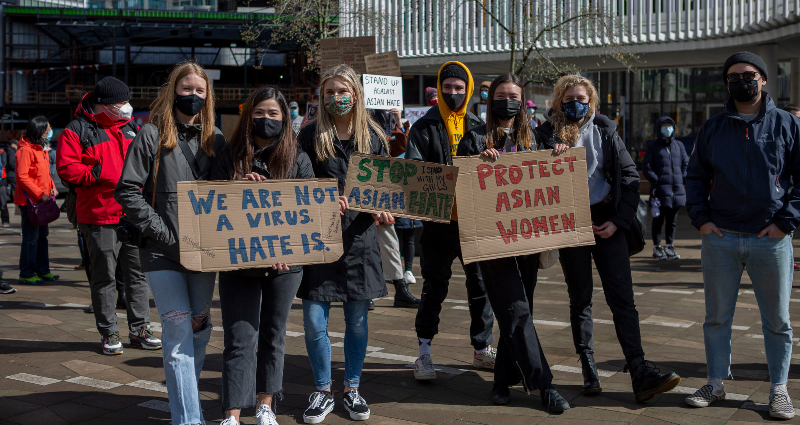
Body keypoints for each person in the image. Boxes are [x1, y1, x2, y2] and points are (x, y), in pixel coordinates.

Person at [535, 75, 681, 403]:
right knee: (581, 298)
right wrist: (549, 158)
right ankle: (589, 369)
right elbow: (535, 179)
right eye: (569, 99)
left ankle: (639, 369)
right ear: (558, 101)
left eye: (582, 99)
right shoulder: (545, 134)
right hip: (570, 223)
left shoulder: (606, 129)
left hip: (607, 222)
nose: (576, 105)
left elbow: (629, 177)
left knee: (622, 298)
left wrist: (618, 221)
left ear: (592, 102)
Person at [684, 52, 799, 419]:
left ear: (763, 79)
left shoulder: (787, 125)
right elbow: (695, 176)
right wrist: (701, 220)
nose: (740, 81)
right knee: (717, 317)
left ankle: (779, 389)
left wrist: (785, 222)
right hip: (721, 237)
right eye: (732, 77)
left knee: (777, 320)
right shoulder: (713, 128)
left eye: (748, 75)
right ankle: (715, 382)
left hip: (771, 239)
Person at [116, 61, 226, 425]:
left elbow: (227, 192)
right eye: (186, 88)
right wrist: (162, 233)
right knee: (177, 330)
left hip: (203, 252)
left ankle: (186, 402)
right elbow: (127, 191)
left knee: (198, 327)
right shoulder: (151, 135)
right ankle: (189, 420)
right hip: (161, 252)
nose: (192, 95)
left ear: (208, 96)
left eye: (199, 90)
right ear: (173, 91)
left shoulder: (216, 139)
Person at [458, 73, 569, 413]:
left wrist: (558, 154)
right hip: (492, 241)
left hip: (528, 239)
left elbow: (548, 178)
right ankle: (544, 385)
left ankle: (502, 381)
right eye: (501, 95)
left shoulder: (534, 138)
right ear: (490, 99)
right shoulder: (474, 138)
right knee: (516, 309)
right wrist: (479, 163)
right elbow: (461, 184)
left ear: (522, 102)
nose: (507, 102)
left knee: (519, 310)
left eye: (513, 96)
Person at [213, 87, 313, 425]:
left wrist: (289, 250)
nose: (265, 119)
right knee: (239, 337)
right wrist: (237, 187)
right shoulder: (229, 156)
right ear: (248, 117)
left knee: (273, 335)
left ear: (285, 118)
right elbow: (209, 204)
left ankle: (265, 405)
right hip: (238, 263)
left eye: (273, 114)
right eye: (259, 113)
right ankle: (232, 413)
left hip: (285, 266)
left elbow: (307, 212)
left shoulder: (298, 159)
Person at [296, 64, 390, 424]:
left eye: (343, 91)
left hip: (360, 243)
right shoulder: (309, 136)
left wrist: (386, 208)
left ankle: (352, 388)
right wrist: (319, 200)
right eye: (330, 92)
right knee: (313, 321)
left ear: (356, 94)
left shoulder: (374, 137)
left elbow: (389, 188)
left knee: (357, 322)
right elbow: (295, 182)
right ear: (322, 97)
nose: (336, 98)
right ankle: (322, 390)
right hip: (318, 241)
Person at [406, 61, 496, 381]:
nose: (453, 93)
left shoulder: (480, 127)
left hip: (474, 222)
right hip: (439, 225)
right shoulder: (423, 127)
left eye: (459, 88)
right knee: (434, 287)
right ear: (439, 88)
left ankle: (482, 348)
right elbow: (414, 170)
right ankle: (424, 352)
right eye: (447, 87)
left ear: (468, 90)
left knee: (481, 286)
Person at [57, 76, 160, 356]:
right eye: (121, 102)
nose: (127, 107)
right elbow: (66, 168)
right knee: (104, 277)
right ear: (105, 104)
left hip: (133, 215)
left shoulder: (130, 128)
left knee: (138, 276)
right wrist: (98, 173)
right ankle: (109, 331)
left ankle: (140, 329)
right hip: (98, 216)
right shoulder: (77, 130)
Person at [371, 107, 419, 308]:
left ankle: (400, 289)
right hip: (355, 202)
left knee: (390, 245)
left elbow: (402, 146)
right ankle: (366, 294)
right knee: (363, 250)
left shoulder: (383, 141)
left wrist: (398, 120)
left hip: (379, 201)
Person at [15, 116, 60, 285]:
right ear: (39, 131)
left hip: (41, 201)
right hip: (30, 202)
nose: (49, 132)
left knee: (42, 237)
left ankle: (43, 270)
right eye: (47, 130)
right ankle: (27, 273)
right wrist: (41, 194)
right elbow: (22, 177)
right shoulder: (25, 150)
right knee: (31, 239)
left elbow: (45, 173)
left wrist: (52, 187)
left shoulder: (41, 148)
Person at [642, 116, 689, 261]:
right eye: (665, 126)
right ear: (659, 128)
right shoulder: (653, 146)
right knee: (658, 220)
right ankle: (657, 247)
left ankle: (669, 245)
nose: (668, 129)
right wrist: (657, 180)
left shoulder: (679, 146)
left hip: (676, 191)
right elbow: (647, 167)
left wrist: (682, 178)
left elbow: (686, 164)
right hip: (660, 191)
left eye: (670, 125)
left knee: (672, 221)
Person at [0, 143, 9, 226]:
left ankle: (5, 220)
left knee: (3, 202)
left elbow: (3, 164)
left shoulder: (2, 153)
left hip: (1, 180)